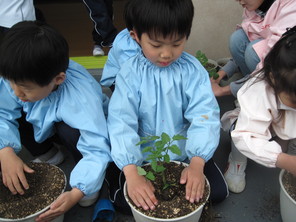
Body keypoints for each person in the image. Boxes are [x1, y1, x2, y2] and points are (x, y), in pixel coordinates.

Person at [106, 0, 229, 212]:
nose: (166, 54)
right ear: (135, 36)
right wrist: (132, 171)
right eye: (156, 45)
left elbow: (204, 115)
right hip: (143, 156)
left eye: (176, 43)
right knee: (124, 203)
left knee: (217, 193)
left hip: (185, 153)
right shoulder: (130, 73)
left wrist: (197, 164)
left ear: (186, 35)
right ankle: (116, 171)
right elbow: (121, 121)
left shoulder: (193, 71)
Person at [0, 21, 111, 221]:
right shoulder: (21, 76)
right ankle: (48, 153)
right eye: (12, 83)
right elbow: (2, 112)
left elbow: (97, 146)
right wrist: (5, 151)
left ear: (58, 79)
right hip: (42, 117)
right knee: (16, 107)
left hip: (75, 126)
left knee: (71, 131)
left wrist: (78, 192)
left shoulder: (81, 99)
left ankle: (87, 181)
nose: (17, 91)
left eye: (24, 87)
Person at [221, 26, 296, 193]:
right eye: (294, 100)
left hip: (283, 124)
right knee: (243, 135)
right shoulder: (259, 92)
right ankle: (237, 163)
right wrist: (282, 160)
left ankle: (287, 146)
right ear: (273, 79)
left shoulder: (289, 89)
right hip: (252, 126)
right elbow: (245, 136)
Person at [211, 0, 296, 97]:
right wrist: (223, 72)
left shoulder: (291, 8)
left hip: (280, 68)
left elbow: (270, 61)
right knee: (237, 39)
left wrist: (225, 90)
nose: (240, 2)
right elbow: (251, 35)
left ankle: (257, 94)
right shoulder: (255, 7)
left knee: (252, 52)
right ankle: (249, 92)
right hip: (265, 65)